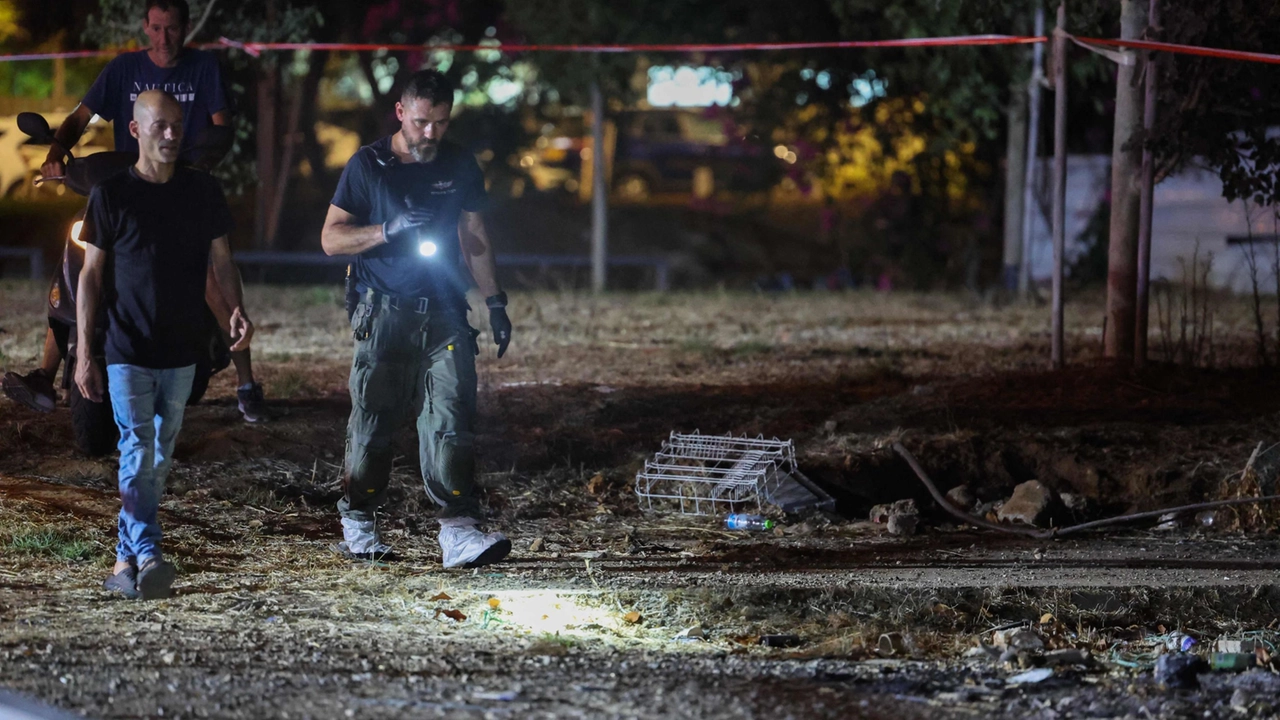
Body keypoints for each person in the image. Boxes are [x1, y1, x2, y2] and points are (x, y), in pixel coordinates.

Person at [1, 0, 267, 422]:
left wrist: (198, 163)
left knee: (212, 276)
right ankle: (45, 374)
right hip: (127, 191)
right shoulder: (123, 70)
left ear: (185, 29)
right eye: (157, 28)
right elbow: (80, 116)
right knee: (76, 264)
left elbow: (221, 127)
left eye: (173, 29)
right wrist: (57, 152)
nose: (165, 39)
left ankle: (246, 382)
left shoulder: (203, 68)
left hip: (182, 187)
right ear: (145, 27)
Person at [321, 69, 513, 569]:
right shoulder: (368, 165)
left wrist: (494, 302)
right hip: (383, 309)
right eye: (423, 122)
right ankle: (359, 523)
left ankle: (459, 531)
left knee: (452, 416)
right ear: (402, 112)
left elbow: (475, 234)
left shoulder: (460, 164)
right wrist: (387, 229)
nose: (431, 134)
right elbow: (331, 238)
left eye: (442, 124)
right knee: (374, 422)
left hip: (447, 311)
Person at [78, 90, 253, 599]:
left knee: (156, 458)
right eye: (161, 126)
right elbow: (90, 276)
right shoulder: (111, 196)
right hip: (126, 348)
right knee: (137, 449)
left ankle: (122, 562)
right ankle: (151, 551)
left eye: (178, 126)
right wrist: (86, 353)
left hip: (182, 349)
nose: (172, 135)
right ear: (136, 130)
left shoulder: (202, 191)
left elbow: (223, 261)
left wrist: (236, 310)